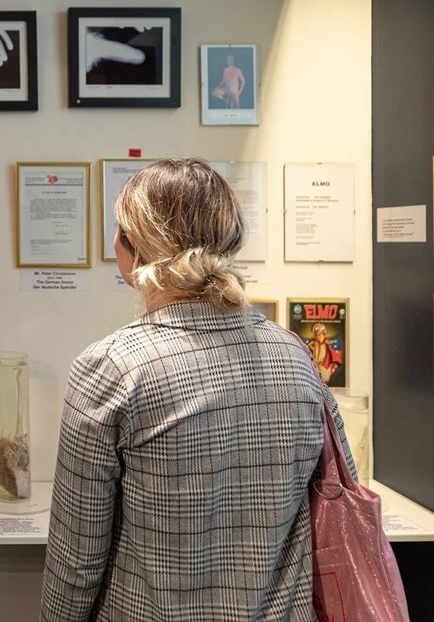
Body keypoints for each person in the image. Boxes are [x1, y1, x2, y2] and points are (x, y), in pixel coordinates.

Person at [39, 157, 357, 621]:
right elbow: (338, 494)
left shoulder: (111, 368)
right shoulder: (296, 356)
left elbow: (76, 557)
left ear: (129, 248)